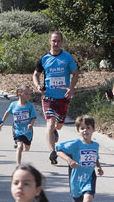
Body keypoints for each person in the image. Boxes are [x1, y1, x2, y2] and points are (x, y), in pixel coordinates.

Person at [32, 31, 80, 165]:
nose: (56, 43)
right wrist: (38, 86)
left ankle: (54, 132)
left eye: (58, 41)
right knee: (50, 122)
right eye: (54, 41)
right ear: (50, 41)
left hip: (63, 97)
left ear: (62, 42)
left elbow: (75, 73)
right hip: (48, 97)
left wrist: (71, 88)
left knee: (58, 126)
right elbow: (35, 75)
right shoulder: (44, 58)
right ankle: (53, 152)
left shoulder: (67, 57)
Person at [56, 115, 104, 202]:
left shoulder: (95, 145)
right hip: (76, 178)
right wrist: (69, 160)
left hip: (89, 177)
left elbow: (95, 157)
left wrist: (99, 167)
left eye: (88, 127)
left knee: (88, 199)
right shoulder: (75, 144)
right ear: (78, 131)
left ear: (93, 129)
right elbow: (58, 151)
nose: (85, 130)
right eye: (82, 128)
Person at [0, 85, 37, 165]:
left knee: (27, 148)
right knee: (20, 147)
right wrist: (2, 121)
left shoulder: (30, 106)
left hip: (27, 131)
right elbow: (7, 112)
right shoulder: (13, 105)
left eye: (29, 94)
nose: (28, 96)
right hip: (17, 129)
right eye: (26, 94)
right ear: (19, 94)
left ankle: (24, 145)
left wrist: (31, 124)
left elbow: (34, 117)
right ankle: (18, 165)